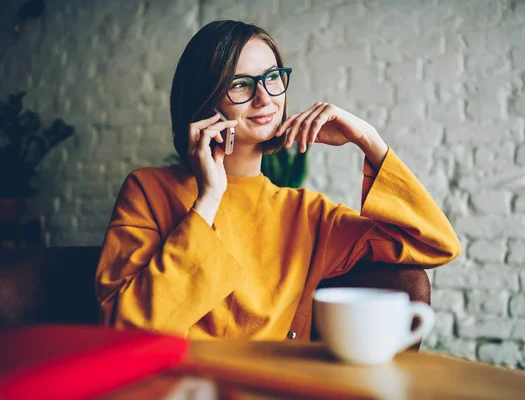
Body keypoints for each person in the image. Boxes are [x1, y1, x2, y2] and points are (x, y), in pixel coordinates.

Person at [95, 20, 461, 340]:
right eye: (240, 84)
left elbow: (436, 245)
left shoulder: (306, 213)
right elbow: (128, 329)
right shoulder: (147, 190)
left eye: (272, 77)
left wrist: (367, 140)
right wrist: (209, 198)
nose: (264, 97)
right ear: (204, 98)